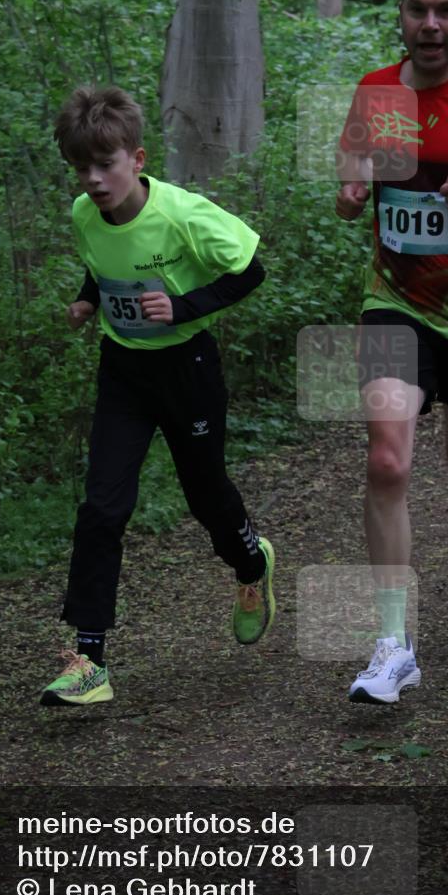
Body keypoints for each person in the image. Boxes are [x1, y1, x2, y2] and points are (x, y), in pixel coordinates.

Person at [40, 86, 276, 706]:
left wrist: (182, 308)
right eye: (81, 167)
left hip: (188, 369)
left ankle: (252, 564)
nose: (93, 179)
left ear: (137, 158)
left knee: (206, 497)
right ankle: (87, 662)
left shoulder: (183, 214)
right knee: (102, 509)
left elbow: (250, 268)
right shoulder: (83, 214)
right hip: (123, 372)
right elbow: (103, 261)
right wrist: (89, 299)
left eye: (105, 164)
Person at [336, 0, 448, 704]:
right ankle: (392, 644)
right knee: (388, 463)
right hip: (393, 298)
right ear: (400, 13)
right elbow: (350, 176)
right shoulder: (375, 90)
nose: (429, 23)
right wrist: (348, 183)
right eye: (416, 9)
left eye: (444, 10)